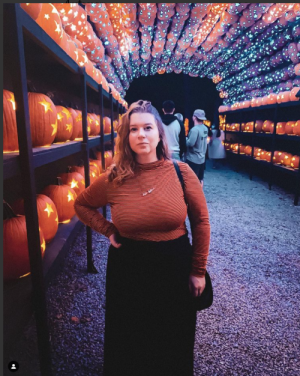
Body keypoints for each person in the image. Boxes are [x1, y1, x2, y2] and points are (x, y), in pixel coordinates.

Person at [74, 100, 210, 376]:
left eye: (147, 127)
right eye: (133, 129)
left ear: (159, 133)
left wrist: (198, 271)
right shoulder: (113, 178)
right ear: (126, 138)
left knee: (172, 335)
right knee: (130, 336)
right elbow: (81, 205)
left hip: (173, 265)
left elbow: (201, 222)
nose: (141, 134)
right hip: (129, 268)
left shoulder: (181, 173)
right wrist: (109, 229)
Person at [186, 109, 209, 187]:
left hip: (193, 159)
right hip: (202, 158)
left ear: (194, 117)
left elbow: (190, 143)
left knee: (191, 180)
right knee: (200, 179)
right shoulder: (205, 129)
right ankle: (200, 195)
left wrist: (185, 140)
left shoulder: (194, 130)